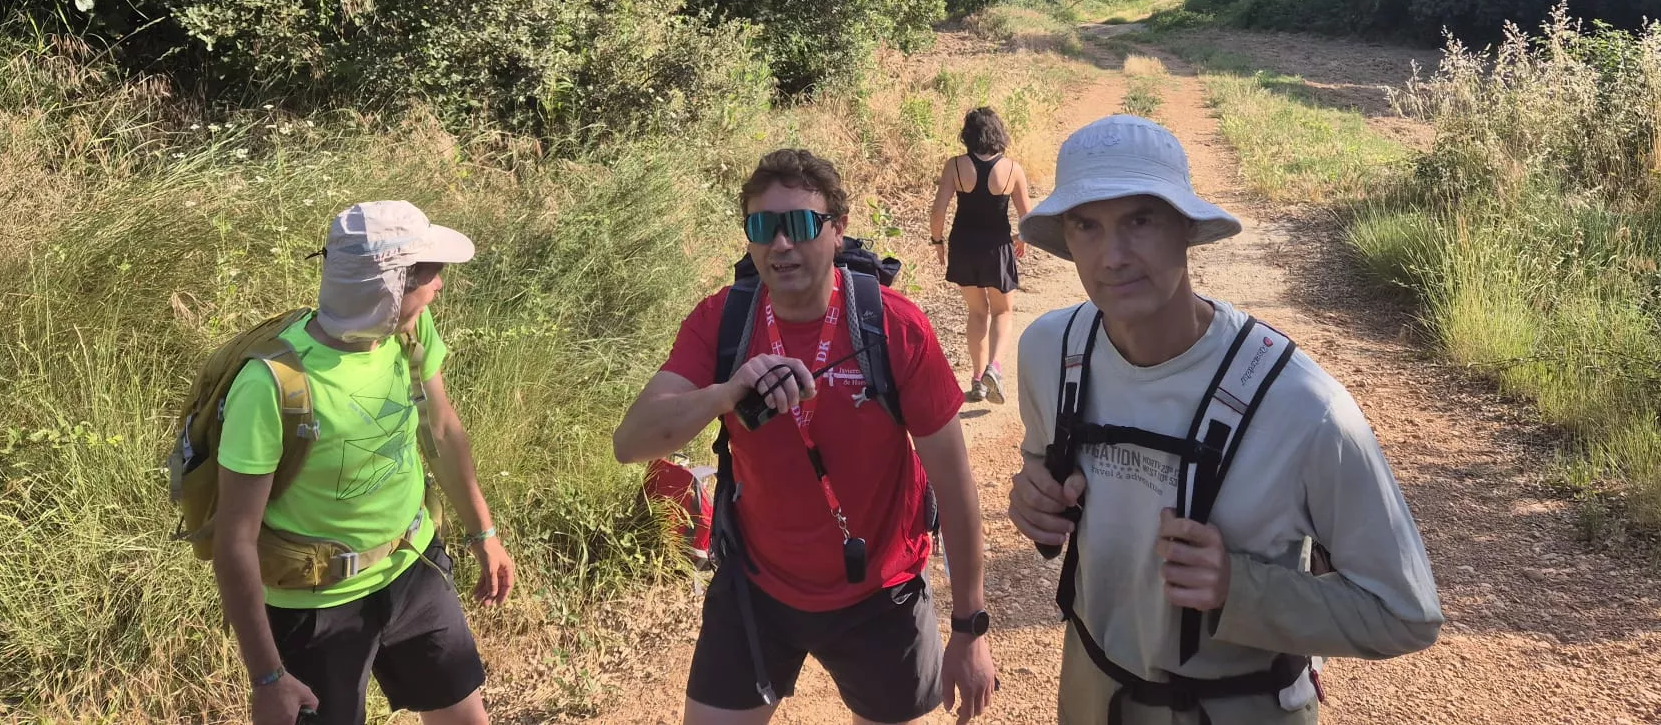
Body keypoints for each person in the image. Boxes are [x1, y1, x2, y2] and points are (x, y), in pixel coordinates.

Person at [1006, 115, 1443, 724]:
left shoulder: (1302, 406)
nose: (1113, 256)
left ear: (1187, 228)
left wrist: (1239, 588)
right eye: (1086, 225)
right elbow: (1042, 469)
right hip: (1091, 693)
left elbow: (1405, 613)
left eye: (1141, 220)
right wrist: (1033, 501)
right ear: (1065, 237)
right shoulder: (1050, 351)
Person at [614, 148, 999, 725]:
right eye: (762, 227)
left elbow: (956, 484)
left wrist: (970, 628)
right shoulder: (723, 321)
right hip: (757, 586)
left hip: (881, 592)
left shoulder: (893, 327)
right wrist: (725, 394)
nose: (780, 244)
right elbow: (630, 442)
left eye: (799, 224)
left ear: (837, 230)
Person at [214, 201, 517, 725]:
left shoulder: (408, 330)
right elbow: (234, 540)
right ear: (388, 287)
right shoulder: (269, 387)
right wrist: (266, 679)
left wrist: (483, 533)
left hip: (415, 567)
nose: (440, 284)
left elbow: (442, 430)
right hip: (315, 606)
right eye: (429, 273)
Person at [926, 107, 1032, 404]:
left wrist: (937, 241)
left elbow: (938, 211)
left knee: (976, 312)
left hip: (963, 247)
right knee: (1002, 312)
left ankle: (977, 380)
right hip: (997, 248)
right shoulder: (1012, 169)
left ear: (968, 135)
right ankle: (994, 368)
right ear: (999, 133)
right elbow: (1028, 218)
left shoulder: (956, 166)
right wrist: (1022, 238)